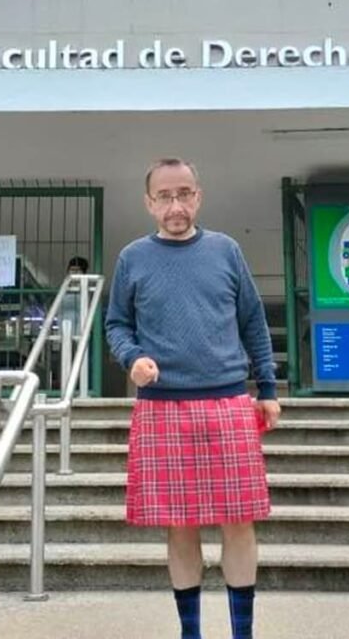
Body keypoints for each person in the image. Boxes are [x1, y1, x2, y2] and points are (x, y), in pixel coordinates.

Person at [105, 158, 279, 639]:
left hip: (228, 400)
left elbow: (253, 322)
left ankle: (242, 633)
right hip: (161, 404)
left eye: (184, 193)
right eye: (164, 196)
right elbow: (116, 324)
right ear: (149, 203)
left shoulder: (226, 250)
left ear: (198, 197)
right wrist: (132, 357)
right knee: (178, 525)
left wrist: (267, 388)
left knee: (239, 521)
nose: (175, 205)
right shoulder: (133, 258)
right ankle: (191, 633)